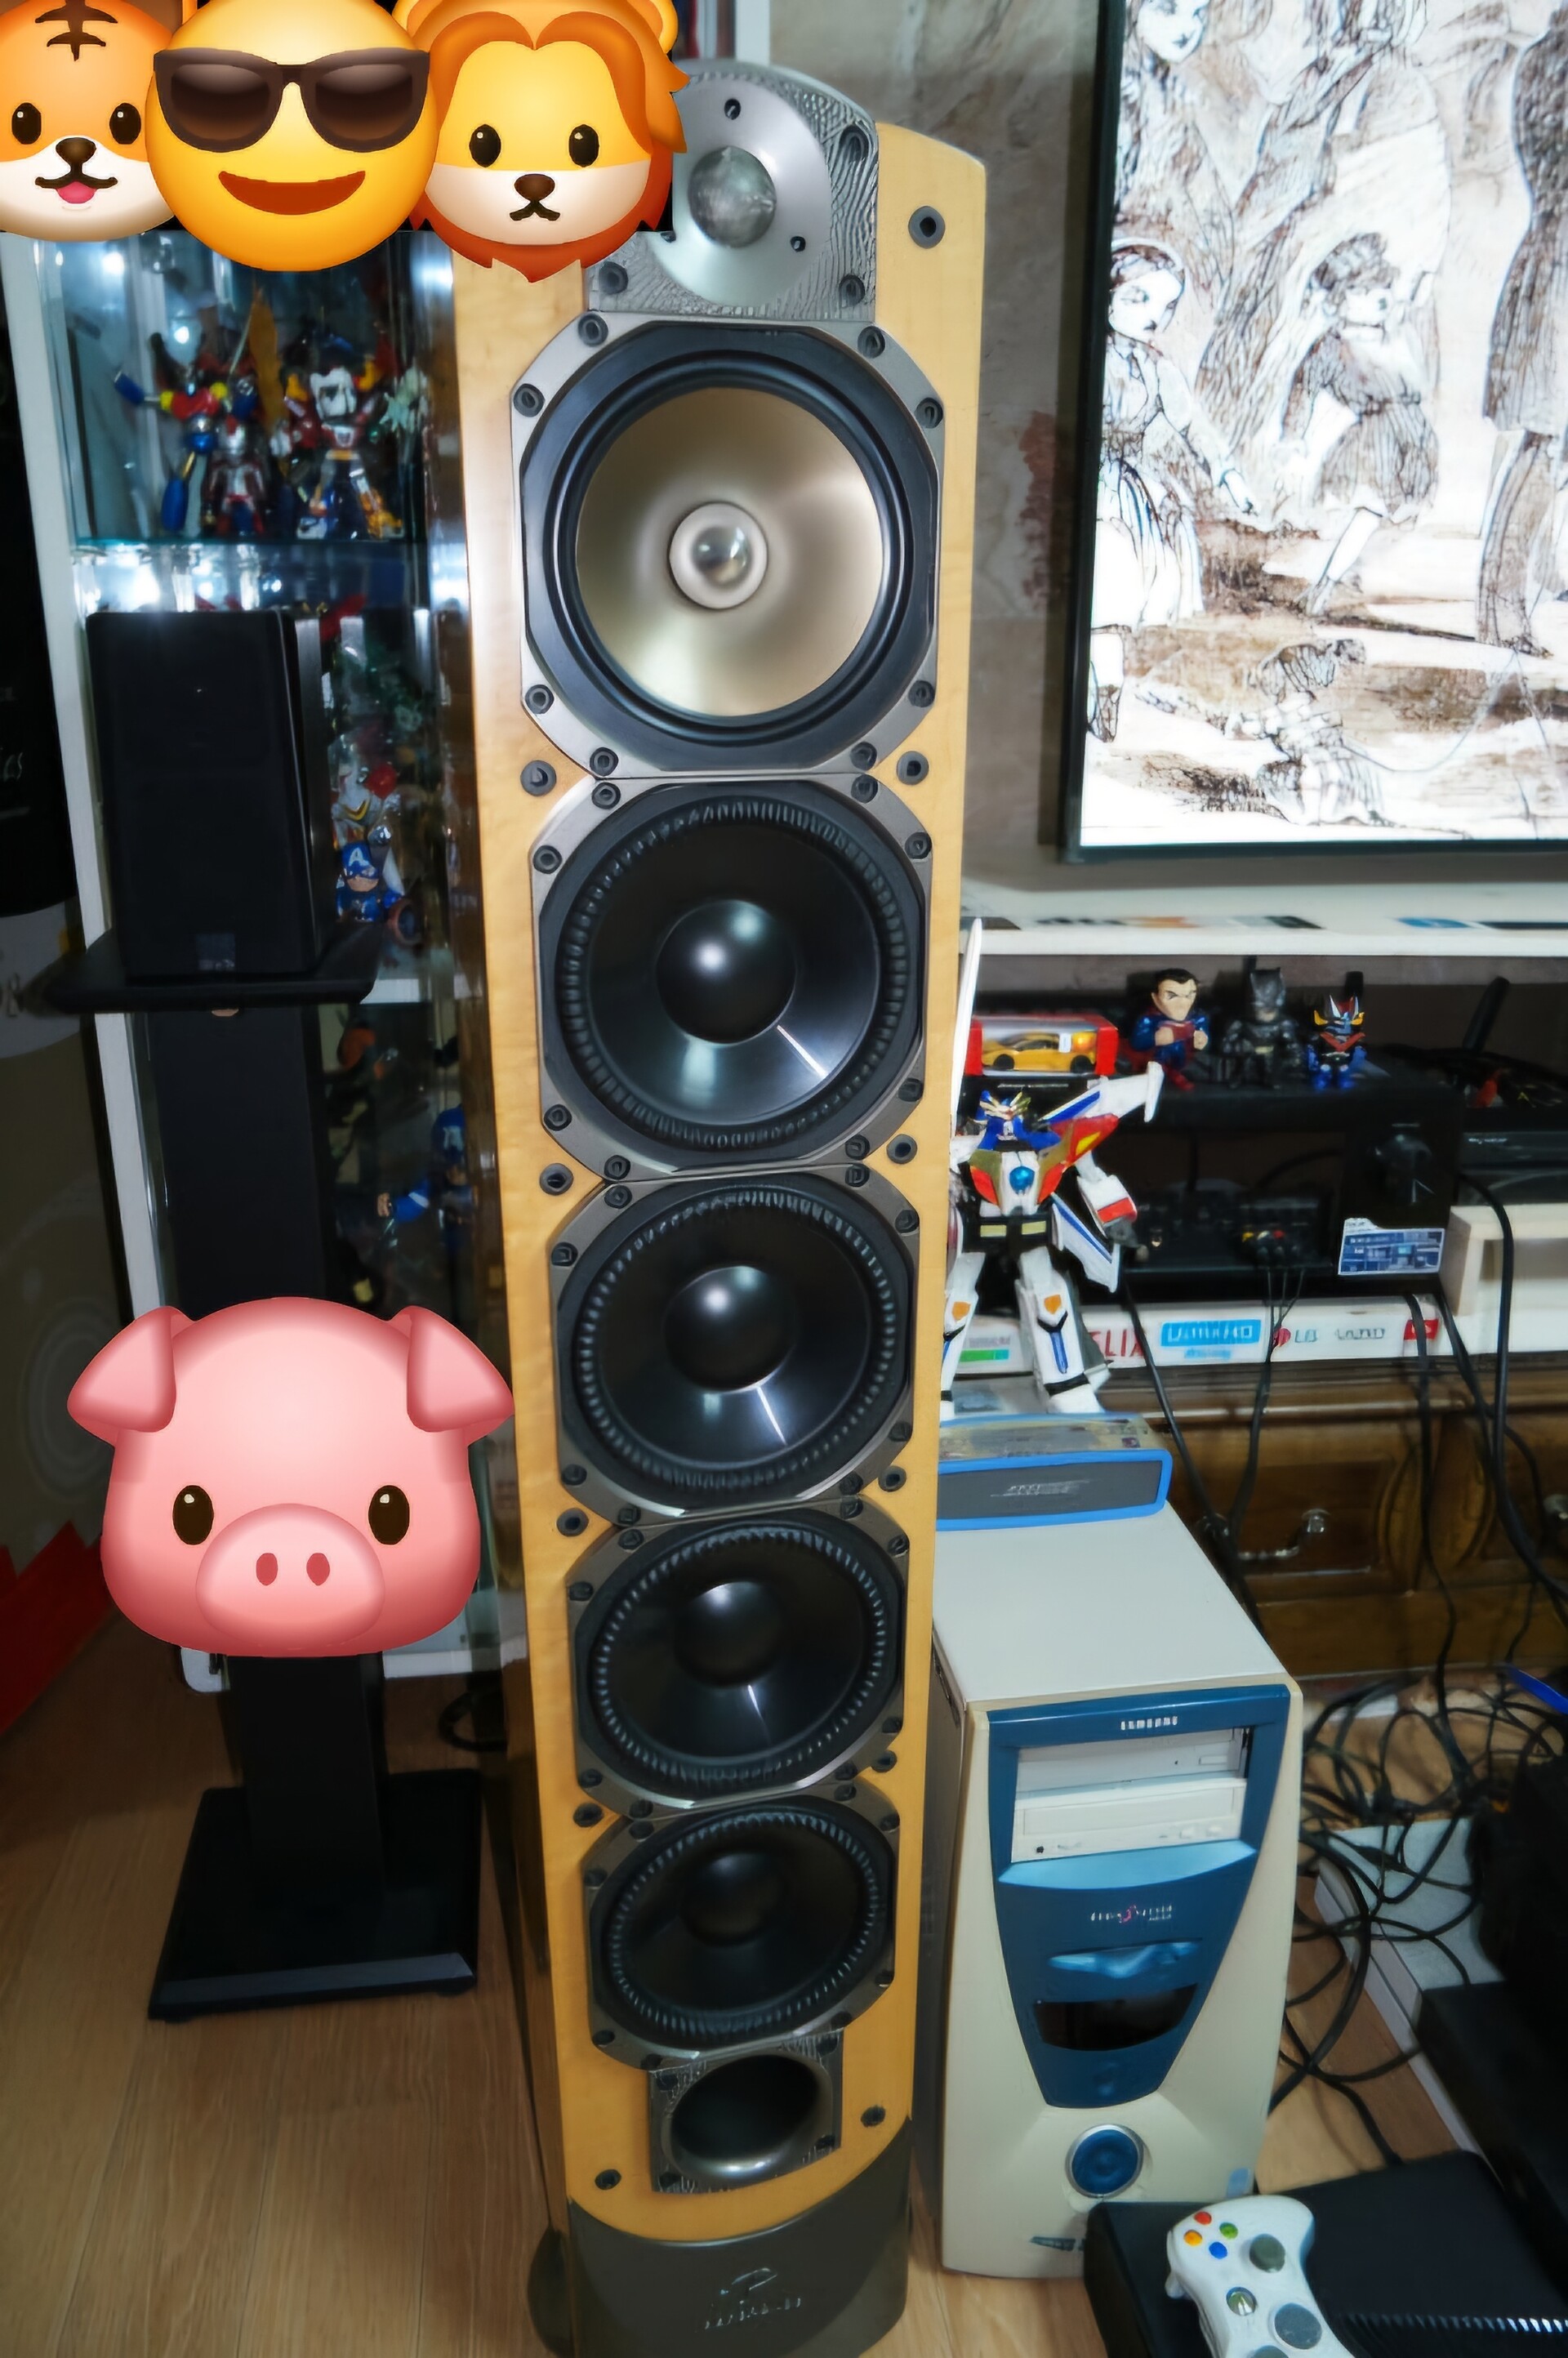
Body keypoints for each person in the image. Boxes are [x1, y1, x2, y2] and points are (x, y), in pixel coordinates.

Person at [1090, 243, 1253, 741]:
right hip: (1077, 485)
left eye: (1166, 307)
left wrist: (1228, 475)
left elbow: (1193, 425)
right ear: (1107, 292)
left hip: (1125, 493)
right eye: (1138, 299)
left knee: (1112, 598)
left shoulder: (1156, 368)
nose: (1153, 317)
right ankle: (1095, 693)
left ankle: (1106, 697)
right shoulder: (1081, 355)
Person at [1279, 234, 1437, 615]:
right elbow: (1304, 388)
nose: (1379, 297)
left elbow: (1413, 306)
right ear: (1339, 300)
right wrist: (1293, 436)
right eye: (1364, 291)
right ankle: (1326, 585)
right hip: (1377, 443)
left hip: (1413, 439)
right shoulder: (1333, 345)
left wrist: (1421, 287)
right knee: (1370, 514)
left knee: (1394, 516)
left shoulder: (1393, 329)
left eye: (1383, 286)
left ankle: (1344, 577)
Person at [1477, 5, 1568, 653]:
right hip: (1561, 266)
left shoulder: (1543, 55)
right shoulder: (1554, 63)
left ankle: (1534, 582)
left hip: (1552, 254)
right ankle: (1502, 607)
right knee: (1546, 440)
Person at [1116, 0, 1234, 305]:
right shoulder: (1123, 89)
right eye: (1167, 8)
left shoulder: (1169, 91)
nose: (1185, 30)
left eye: (1197, 13)